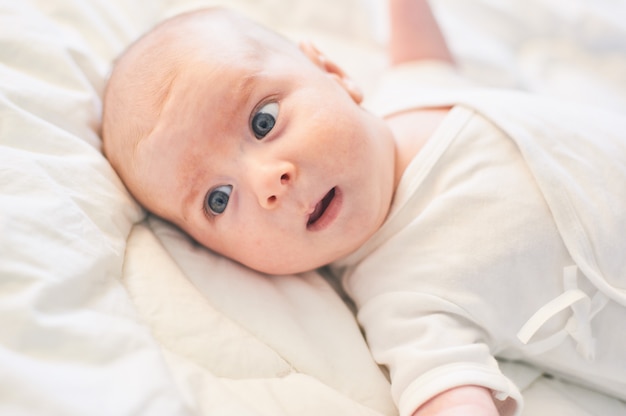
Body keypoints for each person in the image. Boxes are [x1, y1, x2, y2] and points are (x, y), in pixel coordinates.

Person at [102, 0, 626, 415]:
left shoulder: (412, 94)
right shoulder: (400, 297)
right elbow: (445, 388)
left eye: (263, 122)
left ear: (333, 72)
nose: (270, 183)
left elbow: (420, 51)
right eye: (218, 198)